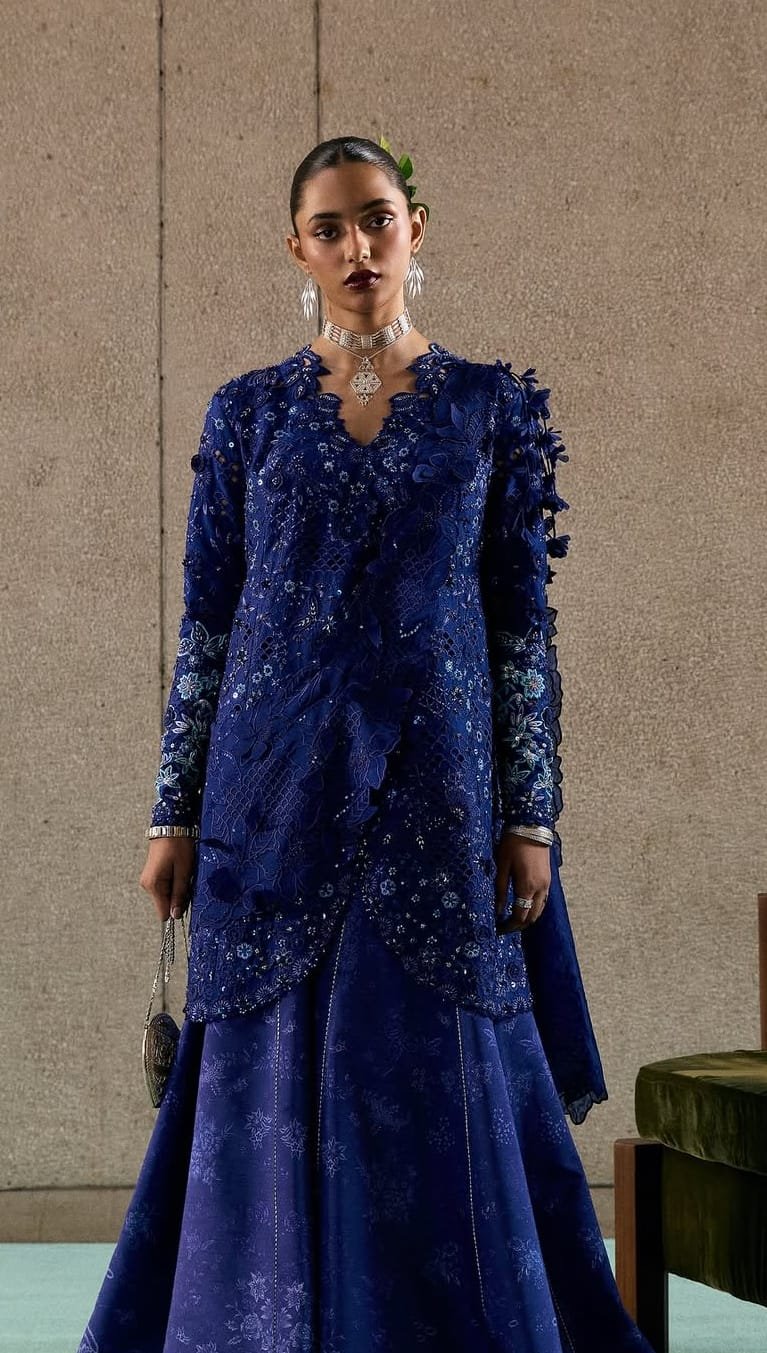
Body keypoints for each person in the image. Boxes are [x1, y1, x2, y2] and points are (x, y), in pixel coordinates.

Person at [77, 135, 653, 1353]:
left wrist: (530, 812)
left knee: (427, 1058)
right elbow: (209, 624)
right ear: (296, 247)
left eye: (376, 219)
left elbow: (518, 631)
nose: (357, 247)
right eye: (330, 228)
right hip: (266, 799)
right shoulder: (246, 414)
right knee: (269, 1067)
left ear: (415, 227)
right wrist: (172, 810)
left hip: (438, 792)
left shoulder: (488, 409)